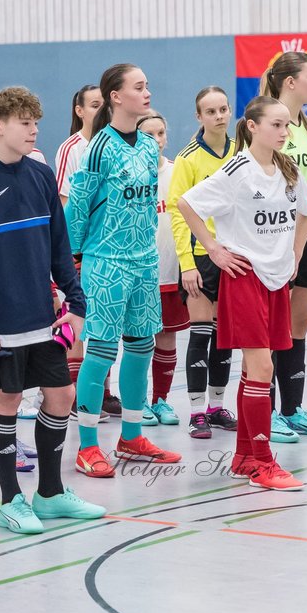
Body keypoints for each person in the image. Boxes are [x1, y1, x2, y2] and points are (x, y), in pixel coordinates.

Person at [178, 96, 307, 490]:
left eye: (286, 125)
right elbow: (187, 202)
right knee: (262, 369)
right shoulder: (238, 169)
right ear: (253, 126)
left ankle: (244, 457)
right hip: (246, 278)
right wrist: (213, 248)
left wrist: (296, 255)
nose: (283, 131)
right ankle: (262, 463)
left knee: (256, 370)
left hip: (278, 280)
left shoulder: (288, 168)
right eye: (275, 124)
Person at [0, 86, 104, 534]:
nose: (34, 130)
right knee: (7, 399)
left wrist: (75, 302)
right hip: (1, 325)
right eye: (25, 122)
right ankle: (10, 500)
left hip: (45, 316)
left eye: (36, 122)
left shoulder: (41, 176)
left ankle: (51, 493)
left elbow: (61, 246)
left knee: (61, 396)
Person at [68, 65, 182, 478]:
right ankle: (87, 446)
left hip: (143, 263)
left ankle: (132, 436)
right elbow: (77, 208)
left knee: (141, 348)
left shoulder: (150, 149)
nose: (147, 92)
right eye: (139, 87)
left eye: (147, 85)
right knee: (99, 353)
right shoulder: (99, 147)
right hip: (106, 263)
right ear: (115, 96)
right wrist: (71, 262)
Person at [260, 52, 307, 440]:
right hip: (274, 237)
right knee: (271, 328)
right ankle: (266, 412)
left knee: (298, 325)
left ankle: (293, 408)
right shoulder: (263, 124)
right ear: (290, 81)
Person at [167, 86, 238, 439]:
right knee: (201, 333)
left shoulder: (242, 153)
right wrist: (187, 264)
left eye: (223, 109)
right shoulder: (188, 158)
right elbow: (176, 212)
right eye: (211, 112)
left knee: (225, 336)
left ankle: (216, 405)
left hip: (234, 256)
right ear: (199, 117)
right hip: (200, 256)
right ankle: (196, 411)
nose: (219, 116)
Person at [53, 84, 118, 416]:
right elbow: (66, 204)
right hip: (81, 251)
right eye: (93, 104)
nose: (99, 109)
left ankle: (101, 392)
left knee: (105, 324)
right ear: (79, 111)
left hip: (111, 251)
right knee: (75, 323)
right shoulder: (71, 148)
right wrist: (73, 253)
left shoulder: (114, 143)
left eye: (102, 104)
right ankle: (69, 392)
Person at [136, 112, 188, 427]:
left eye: (161, 133)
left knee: (167, 338)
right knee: (139, 340)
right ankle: (136, 400)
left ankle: (161, 401)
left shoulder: (176, 172)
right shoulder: (129, 176)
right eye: (149, 134)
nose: (156, 140)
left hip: (170, 272)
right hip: (138, 274)